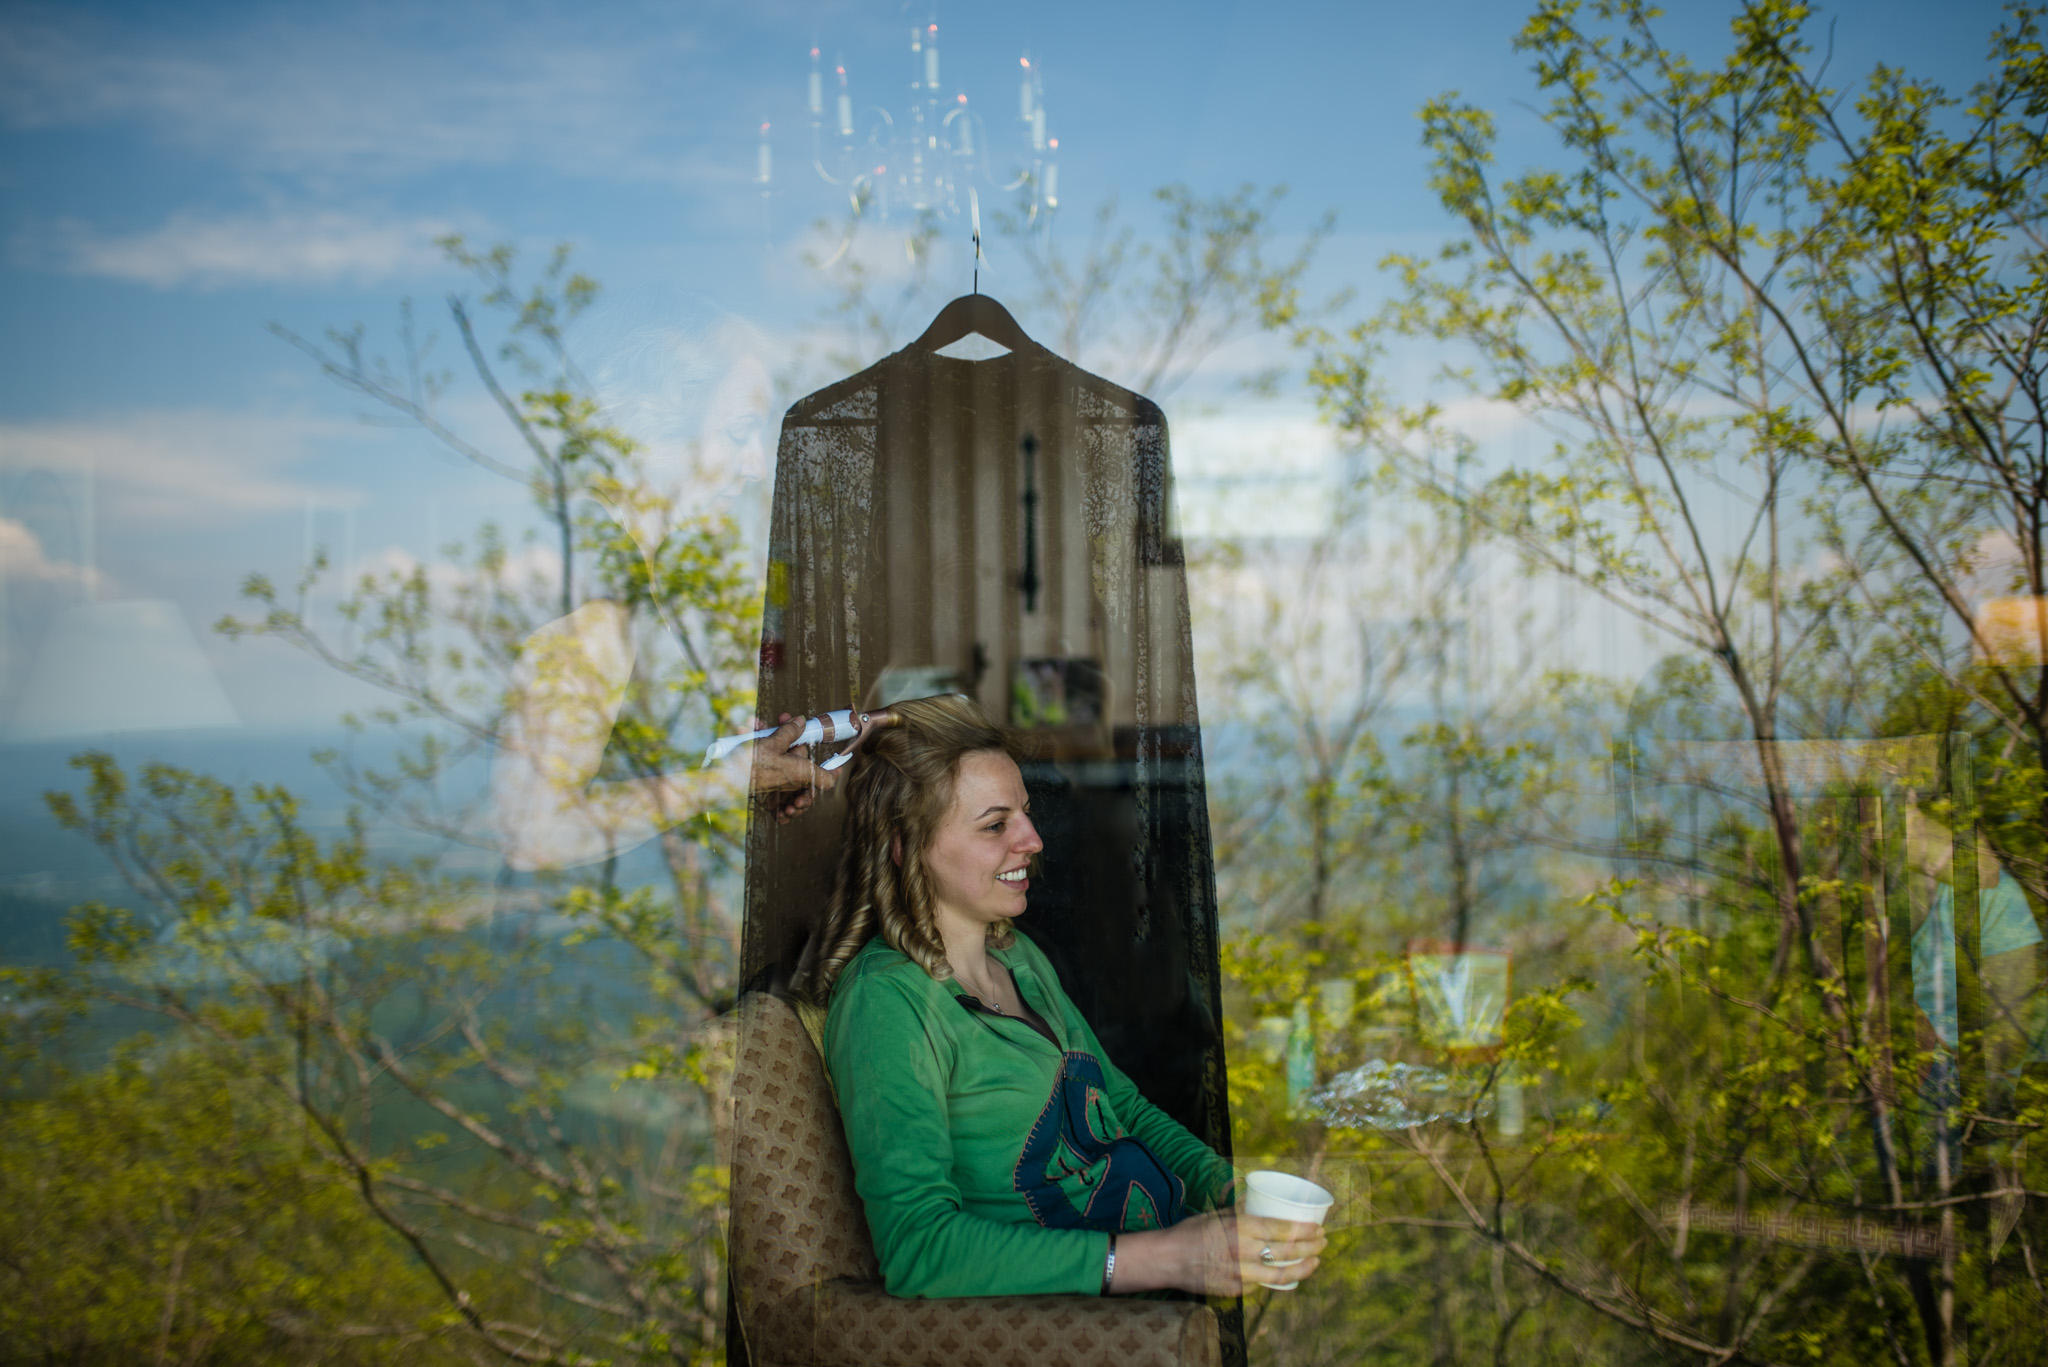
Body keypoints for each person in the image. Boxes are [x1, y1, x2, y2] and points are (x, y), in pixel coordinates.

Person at [799, 694, 1327, 1299]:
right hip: (1075, 1325)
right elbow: (919, 1250)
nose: (1033, 839)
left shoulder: (1015, 955)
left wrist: (1226, 1190)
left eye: (1024, 814)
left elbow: (1119, 1106)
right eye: (996, 825)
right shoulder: (887, 1004)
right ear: (902, 844)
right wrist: (1166, 1259)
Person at [491, 311, 837, 870]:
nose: (757, 464)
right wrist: (730, 779)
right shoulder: (593, 615)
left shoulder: (639, 588)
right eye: (736, 432)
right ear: (652, 430)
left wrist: (741, 771)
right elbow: (534, 836)